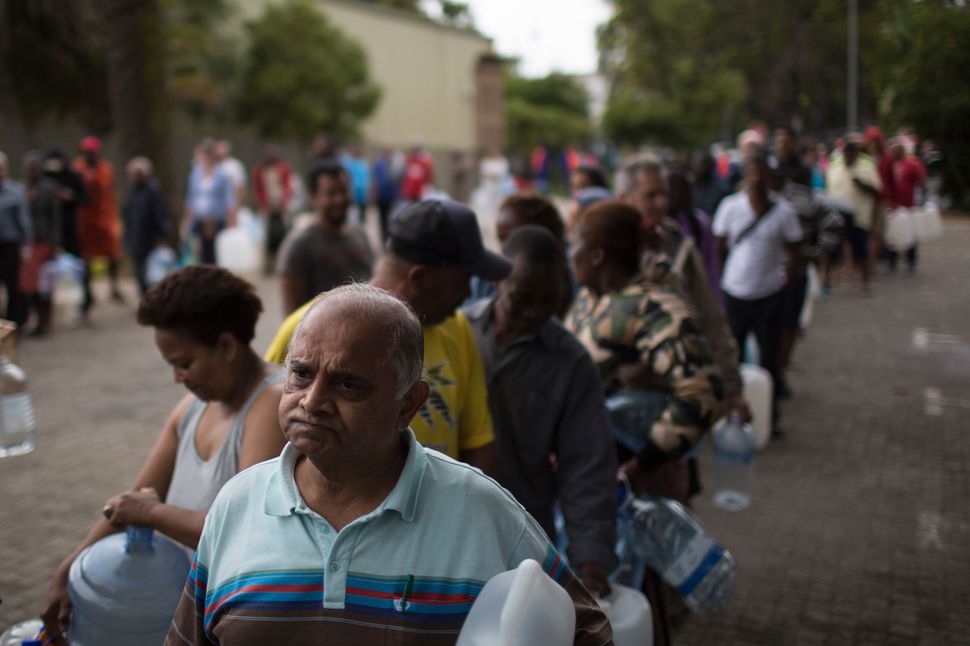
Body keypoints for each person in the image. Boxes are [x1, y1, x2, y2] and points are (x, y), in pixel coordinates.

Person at [165, 284, 612, 646]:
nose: (312, 401)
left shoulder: (482, 511)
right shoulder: (236, 505)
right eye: (300, 373)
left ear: (408, 405)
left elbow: (587, 631)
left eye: (347, 384)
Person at [41, 266, 287, 644]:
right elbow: (135, 499)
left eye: (184, 363)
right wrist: (68, 569)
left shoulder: (270, 405)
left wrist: (152, 514)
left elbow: (243, 531)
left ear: (226, 346)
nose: (177, 377)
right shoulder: (193, 409)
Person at [565, 200, 723, 646]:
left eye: (575, 244)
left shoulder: (654, 306)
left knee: (638, 593)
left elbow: (701, 391)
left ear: (597, 254)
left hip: (636, 481)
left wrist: (642, 463)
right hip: (593, 477)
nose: (569, 253)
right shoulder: (592, 300)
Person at [265, 200, 509, 475]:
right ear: (421, 279)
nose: (467, 292)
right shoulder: (305, 328)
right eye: (462, 280)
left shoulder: (457, 329)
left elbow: (477, 442)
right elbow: (266, 438)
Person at [463, 226, 617, 598]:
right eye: (522, 299)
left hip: (524, 534)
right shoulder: (458, 334)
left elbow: (587, 466)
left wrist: (590, 560)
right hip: (450, 525)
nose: (534, 313)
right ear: (498, 282)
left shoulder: (572, 364)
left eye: (549, 301)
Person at [617, 159, 747, 424]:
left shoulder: (680, 246)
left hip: (671, 395)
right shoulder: (603, 248)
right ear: (624, 198)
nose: (661, 203)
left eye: (664, 194)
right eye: (650, 195)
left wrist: (731, 388)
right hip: (617, 396)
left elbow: (711, 318)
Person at [713, 154, 802, 434]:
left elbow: (795, 248)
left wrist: (786, 281)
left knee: (769, 359)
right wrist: (721, 282)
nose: (756, 178)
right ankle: (729, 415)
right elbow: (718, 246)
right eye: (751, 173)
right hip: (736, 292)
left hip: (769, 295)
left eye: (760, 172)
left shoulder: (783, 211)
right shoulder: (730, 207)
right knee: (732, 359)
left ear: (769, 177)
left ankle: (769, 418)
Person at [275, 162, 374, 316]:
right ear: (314, 198)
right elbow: (292, 315)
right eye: (331, 193)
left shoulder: (359, 234)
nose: (340, 199)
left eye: (343, 191)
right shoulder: (299, 245)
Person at [73, 136, 124, 308]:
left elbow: (109, 193)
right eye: (86, 153)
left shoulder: (105, 169)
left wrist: (113, 217)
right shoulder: (78, 169)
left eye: (91, 153)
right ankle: (88, 292)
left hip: (105, 217)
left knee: (113, 253)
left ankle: (114, 285)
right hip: (86, 221)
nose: (89, 156)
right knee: (85, 257)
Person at [825, 139, 882, 290]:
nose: (849, 156)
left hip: (858, 216)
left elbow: (877, 190)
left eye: (852, 153)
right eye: (846, 153)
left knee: (860, 250)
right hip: (836, 216)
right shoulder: (834, 168)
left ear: (857, 154)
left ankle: (865, 282)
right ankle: (826, 279)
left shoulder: (867, 168)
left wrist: (862, 185)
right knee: (831, 249)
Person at [666, 166, 724, 307]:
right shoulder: (656, 223)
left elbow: (711, 267)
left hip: (693, 298)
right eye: (672, 189)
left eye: (682, 189)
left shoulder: (699, 223)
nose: (677, 194)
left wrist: (716, 303)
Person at [21, 152, 60, 336]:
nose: (32, 171)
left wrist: (55, 243)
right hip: (29, 243)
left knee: (45, 285)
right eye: (29, 168)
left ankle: (46, 321)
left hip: (45, 242)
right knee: (31, 285)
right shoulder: (22, 190)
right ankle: (35, 320)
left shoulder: (49, 189)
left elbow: (56, 218)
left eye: (35, 167)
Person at [122, 157, 171, 296]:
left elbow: (160, 214)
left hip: (150, 240)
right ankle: (144, 299)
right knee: (139, 273)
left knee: (151, 274)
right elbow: (128, 216)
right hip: (135, 239)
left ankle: (152, 299)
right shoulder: (132, 192)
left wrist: (161, 235)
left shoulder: (153, 190)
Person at [183, 139, 236, 265]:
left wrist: (231, 220)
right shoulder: (196, 174)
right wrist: (187, 219)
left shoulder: (223, 175)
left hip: (215, 219)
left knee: (213, 253)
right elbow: (191, 198)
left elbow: (229, 200)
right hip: (199, 219)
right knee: (199, 252)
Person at [885, 137, 927, 272]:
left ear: (902, 151)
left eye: (896, 150)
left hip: (908, 205)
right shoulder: (888, 165)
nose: (894, 153)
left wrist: (922, 198)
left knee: (910, 234)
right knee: (892, 235)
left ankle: (911, 261)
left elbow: (921, 180)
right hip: (892, 205)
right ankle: (891, 261)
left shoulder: (911, 164)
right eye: (892, 150)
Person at [0, 151, 31, 327]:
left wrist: (26, 247)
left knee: (14, 288)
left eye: (2, 168)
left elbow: (24, 223)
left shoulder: (16, 191)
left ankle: (14, 324)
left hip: (10, 246)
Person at [251, 146, 293, 275]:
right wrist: (263, 205)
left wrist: (284, 202)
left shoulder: (283, 169)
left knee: (283, 234)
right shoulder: (259, 170)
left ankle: (282, 263)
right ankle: (268, 265)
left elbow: (287, 186)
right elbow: (258, 189)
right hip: (267, 207)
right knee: (266, 237)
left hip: (281, 206)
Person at [371, 145, 400, 241]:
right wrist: (374, 194)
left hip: (391, 195)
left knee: (390, 219)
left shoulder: (393, 163)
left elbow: (397, 179)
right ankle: (384, 239)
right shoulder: (378, 163)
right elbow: (375, 180)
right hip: (381, 195)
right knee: (382, 219)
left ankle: (389, 238)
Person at [214, 139, 246, 211]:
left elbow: (239, 186)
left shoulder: (234, 165)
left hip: (231, 206)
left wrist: (238, 205)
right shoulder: (213, 166)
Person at [342, 143, 370, 224]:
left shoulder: (364, 164)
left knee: (362, 213)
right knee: (353, 214)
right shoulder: (350, 164)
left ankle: (362, 226)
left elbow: (367, 178)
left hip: (363, 192)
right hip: (354, 192)